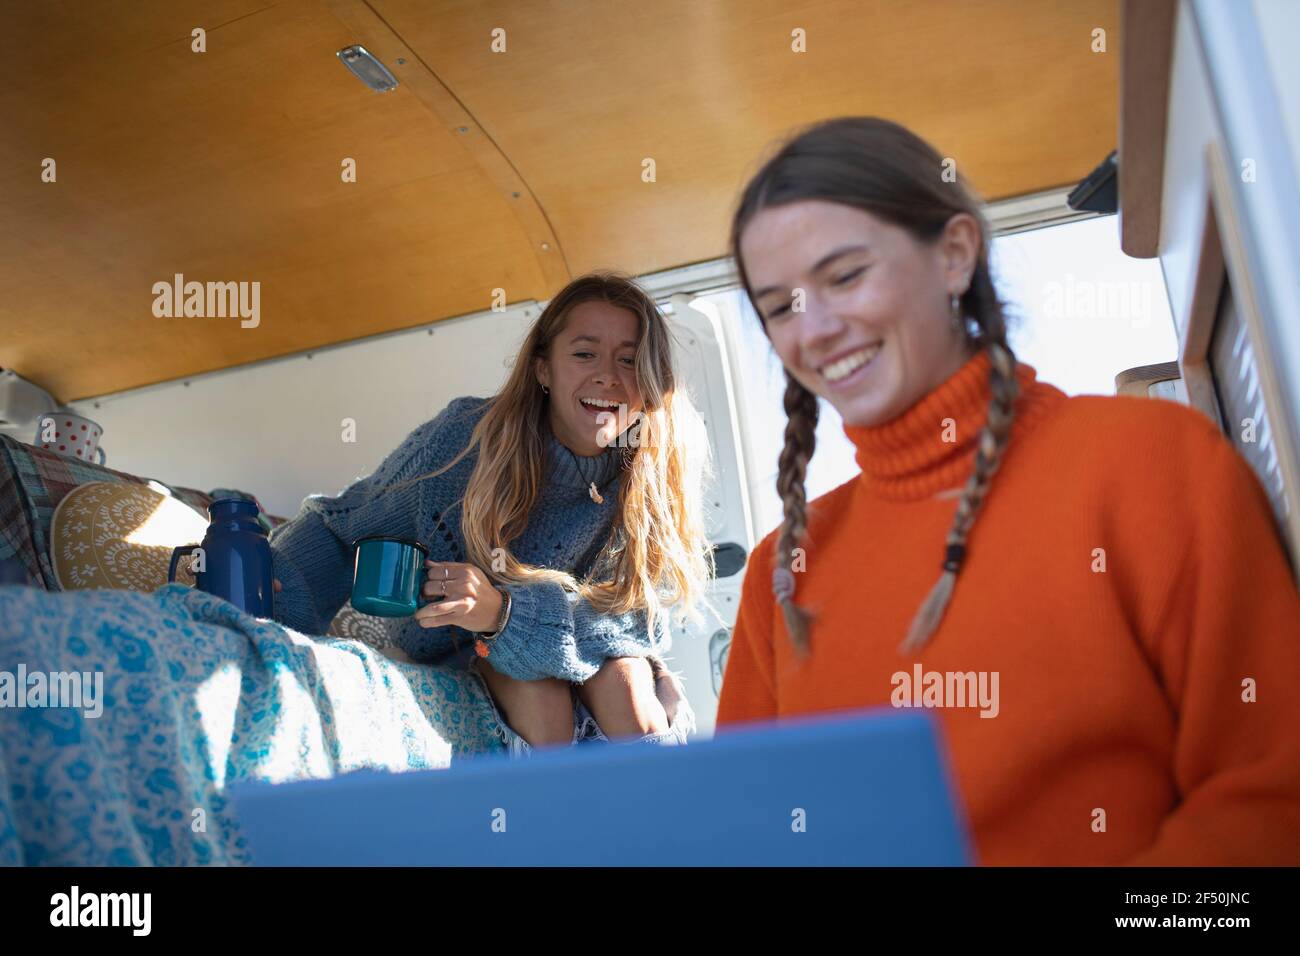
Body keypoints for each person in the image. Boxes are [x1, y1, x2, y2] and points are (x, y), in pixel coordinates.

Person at [715, 116, 1300, 864]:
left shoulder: (1150, 462)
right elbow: (748, 839)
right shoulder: (780, 576)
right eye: (778, 307)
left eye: (845, 275)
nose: (816, 327)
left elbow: (1271, 802)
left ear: (955, 255)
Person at [270, 273, 712, 756]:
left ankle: (660, 823)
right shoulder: (464, 441)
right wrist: (269, 609)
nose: (608, 375)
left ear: (648, 383)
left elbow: (636, 625)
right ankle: (552, 823)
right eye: (584, 354)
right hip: (464, 650)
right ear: (543, 369)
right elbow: (339, 528)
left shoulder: (652, 474)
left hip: (581, 643)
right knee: (543, 707)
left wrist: (504, 613)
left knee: (632, 705)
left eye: (628, 360)